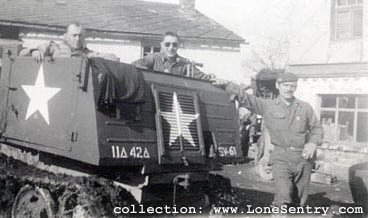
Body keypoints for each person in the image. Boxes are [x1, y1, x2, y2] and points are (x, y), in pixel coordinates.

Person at [212, 72, 323, 207]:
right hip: (281, 158)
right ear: (278, 86)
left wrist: (312, 143)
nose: (289, 89)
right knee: (283, 196)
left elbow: (317, 128)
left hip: (303, 159)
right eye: (285, 85)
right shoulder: (268, 106)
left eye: (292, 86)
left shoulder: (305, 108)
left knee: (300, 202)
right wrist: (228, 84)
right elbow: (246, 98)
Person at [132, 32, 211, 80]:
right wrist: (153, 74)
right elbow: (134, 65)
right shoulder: (153, 58)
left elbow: (203, 77)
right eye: (167, 44)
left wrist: (216, 79)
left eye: (174, 45)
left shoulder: (184, 63)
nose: (171, 48)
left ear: (178, 46)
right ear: (161, 45)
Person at [19, 23, 119, 61]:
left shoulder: (87, 53)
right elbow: (22, 53)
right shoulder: (54, 48)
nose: (77, 38)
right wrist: (34, 51)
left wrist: (98, 57)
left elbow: (113, 58)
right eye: (74, 35)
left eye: (80, 36)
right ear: (66, 36)